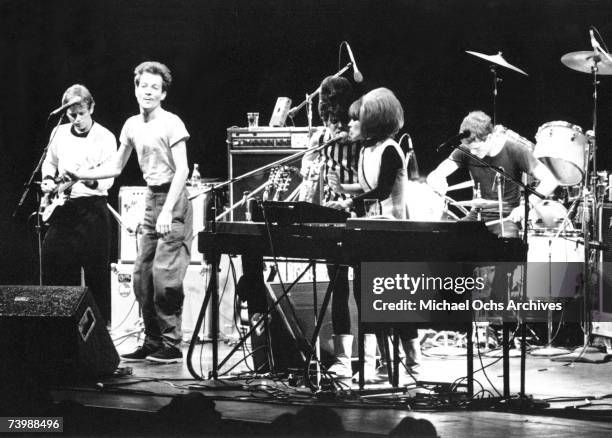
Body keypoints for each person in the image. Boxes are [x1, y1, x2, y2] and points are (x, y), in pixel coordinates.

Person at [67, 61, 192, 363]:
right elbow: (116, 166)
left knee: (165, 277)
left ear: (163, 94)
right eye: (143, 86)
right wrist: (82, 174)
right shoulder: (132, 125)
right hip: (151, 199)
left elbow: (183, 169)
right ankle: (152, 341)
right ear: (135, 89)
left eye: (154, 87)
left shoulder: (171, 122)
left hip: (172, 200)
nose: (148, 91)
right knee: (141, 277)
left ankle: (172, 344)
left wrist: (167, 212)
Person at [328, 88, 420, 380]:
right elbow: (366, 185)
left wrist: (347, 202)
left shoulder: (391, 149)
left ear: (374, 120)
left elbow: (381, 189)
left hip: (394, 230)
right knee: (366, 294)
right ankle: (376, 363)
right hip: (373, 227)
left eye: (357, 120)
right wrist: (344, 191)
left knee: (391, 297)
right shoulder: (367, 150)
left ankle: (413, 362)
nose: (350, 125)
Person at [300, 76, 361, 378]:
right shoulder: (320, 138)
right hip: (330, 215)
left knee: (362, 287)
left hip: (358, 214)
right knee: (339, 286)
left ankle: (364, 359)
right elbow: (308, 175)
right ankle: (345, 359)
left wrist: (346, 201)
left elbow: (369, 182)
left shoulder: (359, 136)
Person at [40, 84, 117, 325]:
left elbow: (108, 181)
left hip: (93, 210)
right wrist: (48, 180)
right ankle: (60, 332)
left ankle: (100, 342)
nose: (77, 119)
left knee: (96, 276)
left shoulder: (105, 137)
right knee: (54, 266)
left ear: (91, 108)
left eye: (81, 113)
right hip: (64, 208)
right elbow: (49, 163)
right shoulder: (59, 132)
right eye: (72, 115)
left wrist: (84, 177)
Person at [427, 110, 558, 237]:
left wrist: (525, 206)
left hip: (507, 219)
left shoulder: (515, 150)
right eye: (470, 149)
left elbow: (551, 180)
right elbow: (435, 175)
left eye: (476, 148)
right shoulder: (468, 149)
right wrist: (438, 181)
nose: (472, 153)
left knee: (502, 246)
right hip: (476, 216)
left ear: (489, 137)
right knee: (447, 237)